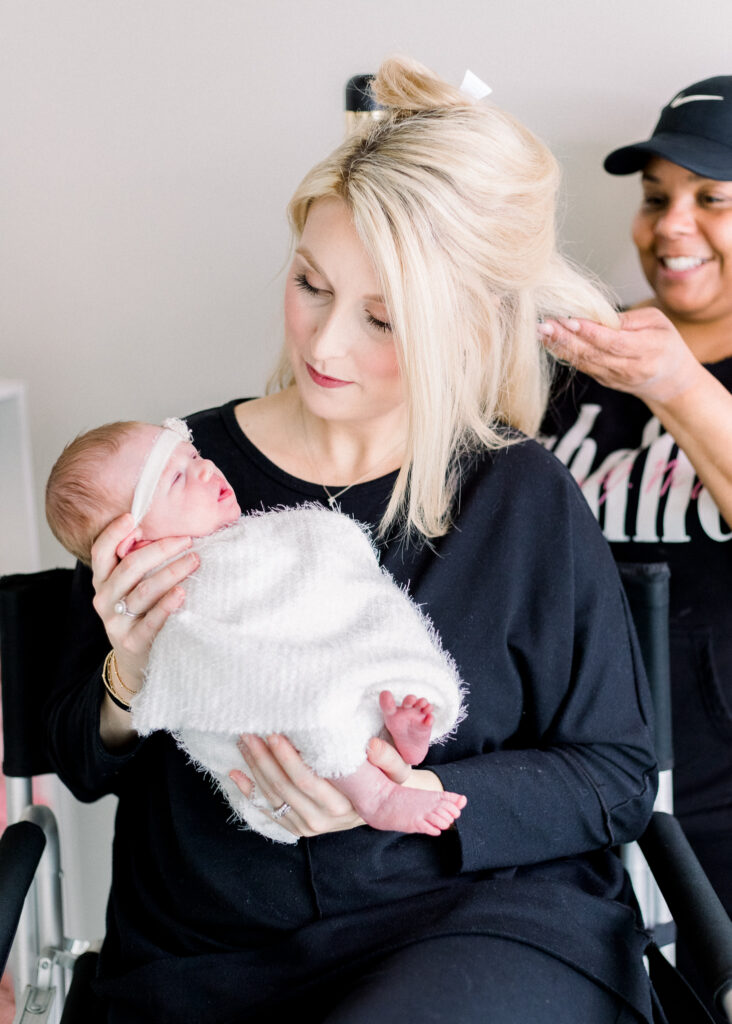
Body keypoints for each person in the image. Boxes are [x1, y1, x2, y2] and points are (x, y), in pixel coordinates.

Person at [46, 55, 658, 1023]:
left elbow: (615, 779)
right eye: (310, 284)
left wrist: (422, 795)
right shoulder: (170, 474)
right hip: (206, 958)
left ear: (465, 328)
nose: (325, 346)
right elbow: (82, 759)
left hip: (471, 929)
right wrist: (125, 679)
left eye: (382, 318)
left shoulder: (517, 497)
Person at [540, 76, 732, 1021]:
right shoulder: (586, 356)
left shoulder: (659, 366)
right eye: (658, 197)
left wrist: (680, 385)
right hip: (562, 778)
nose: (673, 226)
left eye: (714, 199)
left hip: (717, 793)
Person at [45, 416, 467, 841]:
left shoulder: (253, 539)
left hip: (428, 882)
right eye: (176, 478)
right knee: (287, 695)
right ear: (131, 543)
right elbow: (78, 760)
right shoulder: (158, 597)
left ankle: (391, 727)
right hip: (260, 745)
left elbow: (337, 581)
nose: (206, 467)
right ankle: (374, 794)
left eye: (194, 454)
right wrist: (131, 673)